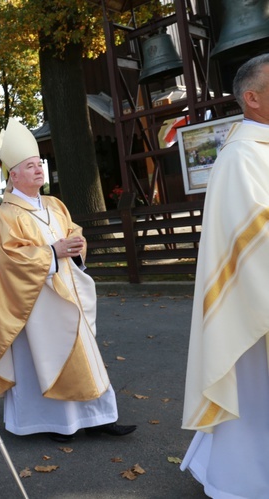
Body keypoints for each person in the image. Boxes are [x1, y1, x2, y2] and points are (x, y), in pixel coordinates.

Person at [0, 118, 136, 442]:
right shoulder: (5, 216)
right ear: (14, 175)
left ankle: (99, 416)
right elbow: (9, 260)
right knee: (45, 359)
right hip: (34, 305)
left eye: (40, 164)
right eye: (30, 166)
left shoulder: (53, 204)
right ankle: (56, 423)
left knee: (85, 354)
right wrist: (51, 252)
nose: (38, 170)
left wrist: (75, 245)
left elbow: (71, 231)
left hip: (67, 293)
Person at [180, 53, 269, 498]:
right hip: (253, 310)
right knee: (257, 400)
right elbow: (253, 237)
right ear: (252, 99)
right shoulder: (240, 156)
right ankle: (244, 481)